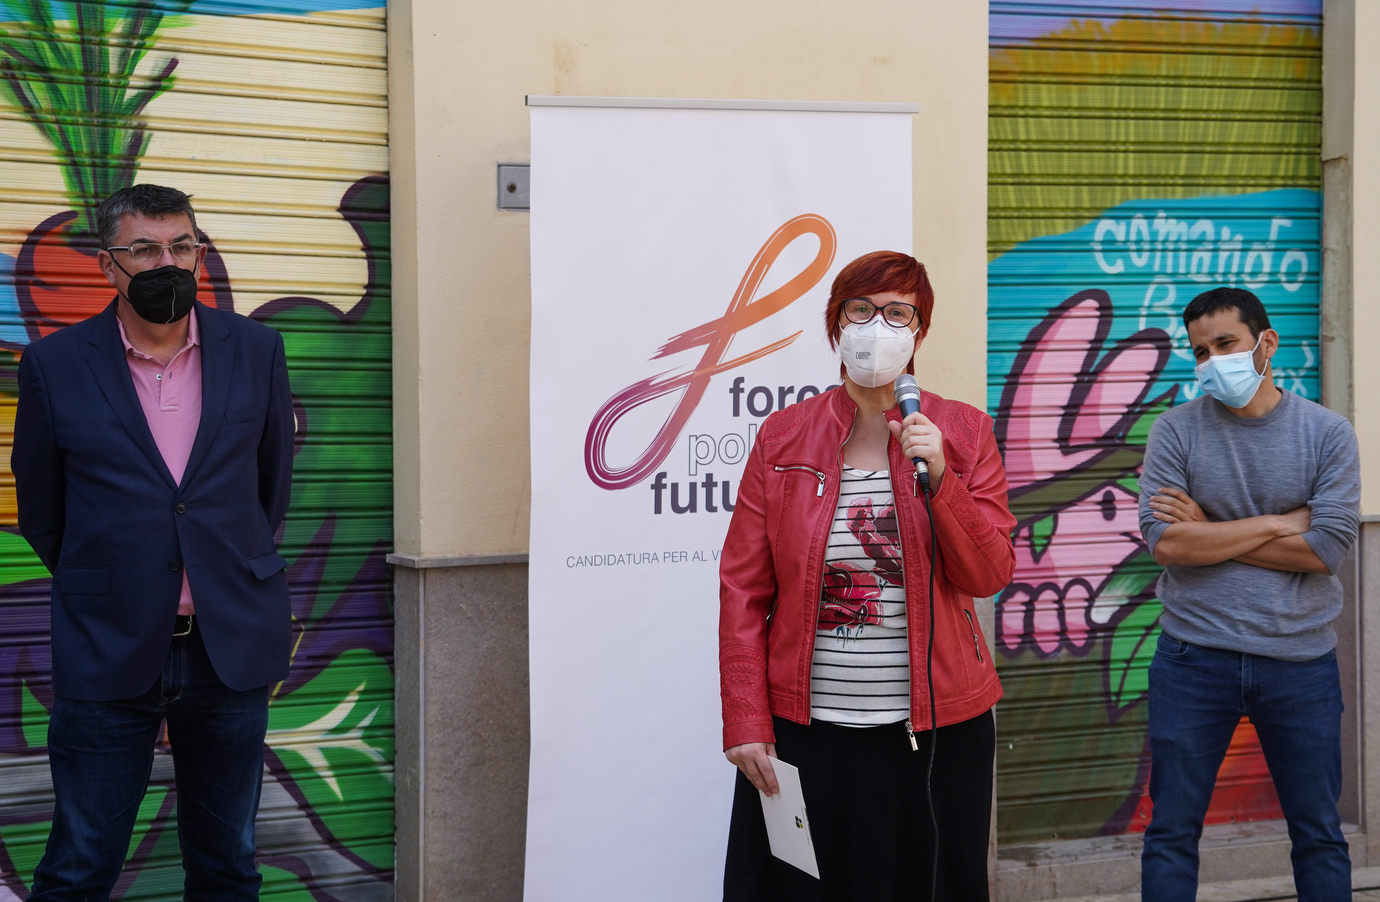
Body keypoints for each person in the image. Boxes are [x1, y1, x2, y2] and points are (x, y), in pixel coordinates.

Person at [12, 184, 295, 901]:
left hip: (226, 648)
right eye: (143, 249)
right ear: (109, 265)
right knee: (80, 862)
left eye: (180, 246)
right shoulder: (55, 366)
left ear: (198, 252)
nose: (166, 261)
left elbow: (268, 491)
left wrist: (219, 568)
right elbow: (45, 511)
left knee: (228, 861)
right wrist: (116, 579)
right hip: (109, 647)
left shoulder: (257, 351)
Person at [718, 250, 1016, 900]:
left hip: (938, 733)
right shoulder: (783, 438)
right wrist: (745, 717)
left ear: (919, 329)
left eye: (896, 312)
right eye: (861, 309)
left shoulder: (963, 432)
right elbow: (742, 589)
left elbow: (990, 571)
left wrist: (940, 476)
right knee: (798, 887)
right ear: (837, 323)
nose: (875, 326)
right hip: (807, 731)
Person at [1138, 287, 1360, 902]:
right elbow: (1166, 544)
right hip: (1192, 659)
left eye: (1226, 344)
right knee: (1172, 832)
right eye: (1200, 352)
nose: (1212, 362)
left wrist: (1206, 528)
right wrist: (1280, 521)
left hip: (1299, 661)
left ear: (1266, 343)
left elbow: (1325, 551)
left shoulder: (1328, 434)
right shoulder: (1175, 432)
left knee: (1318, 833)